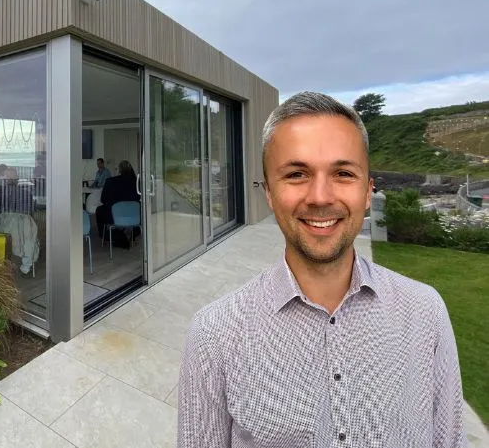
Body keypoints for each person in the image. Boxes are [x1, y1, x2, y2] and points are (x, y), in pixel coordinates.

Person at [177, 92, 467, 448]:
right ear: (269, 193)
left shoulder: (426, 313)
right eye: (296, 174)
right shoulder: (215, 335)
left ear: (367, 190)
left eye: (343, 173)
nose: (320, 197)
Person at [95, 160, 140, 245]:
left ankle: (107, 237)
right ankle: (134, 233)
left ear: (119, 170)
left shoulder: (110, 181)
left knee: (99, 211)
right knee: (141, 209)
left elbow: (103, 199)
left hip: (114, 216)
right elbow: (139, 197)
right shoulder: (137, 182)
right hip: (134, 216)